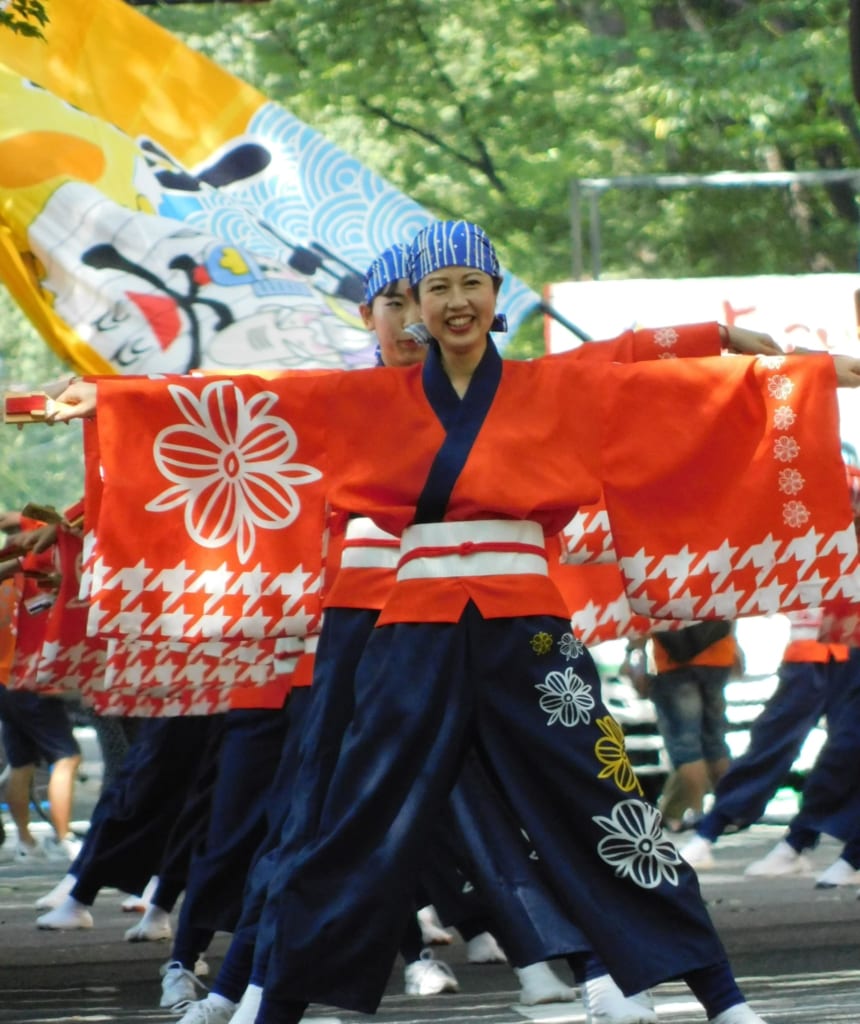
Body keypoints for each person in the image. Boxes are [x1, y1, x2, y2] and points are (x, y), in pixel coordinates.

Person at [49, 220, 860, 1024]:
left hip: (530, 630)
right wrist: (118, 403)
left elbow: (666, 379)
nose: (455, 301)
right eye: (437, 290)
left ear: (497, 295)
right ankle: (268, 1008)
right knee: (351, 818)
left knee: (606, 801)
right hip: (410, 634)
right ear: (416, 311)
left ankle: (722, 1000)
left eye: (471, 283)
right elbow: (256, 401)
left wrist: (798, 370)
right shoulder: (365, 399)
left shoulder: (557, 385)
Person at [636, 622, 740, 833]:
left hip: (673, 663)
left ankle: (697, 814)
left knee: (685, 745)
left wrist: (635, 654)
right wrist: (736, 645)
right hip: (719, 657)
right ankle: (729, 812)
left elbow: (641, 616)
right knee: (715, 742)